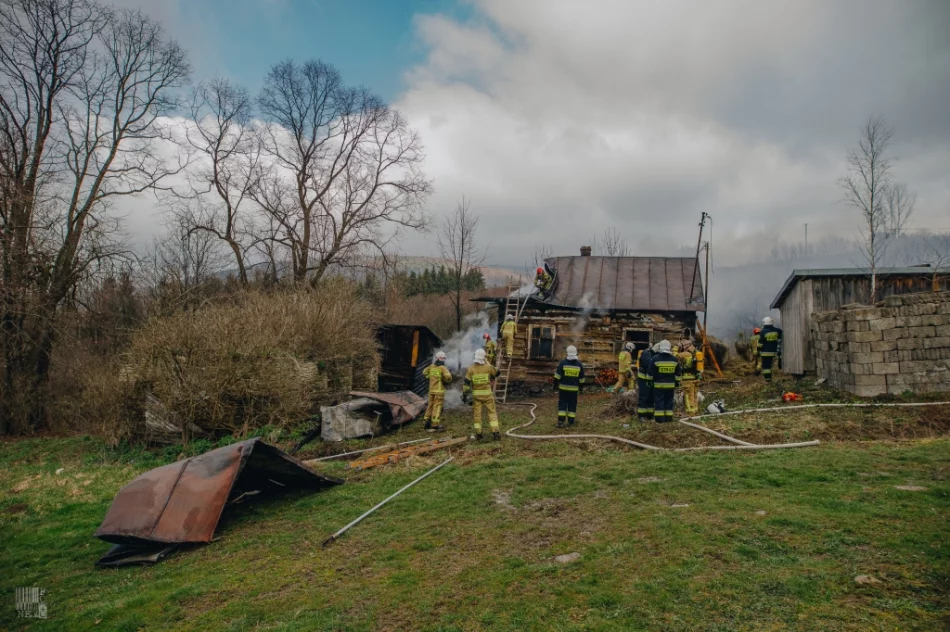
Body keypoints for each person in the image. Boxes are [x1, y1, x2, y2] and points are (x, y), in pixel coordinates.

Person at [464, 349, 500, 440]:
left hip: (476, 397)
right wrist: (487, 362)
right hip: (488, 396)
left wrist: (465, 395)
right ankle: (495, 433)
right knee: (492, 413)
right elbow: (497, 373)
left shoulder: (471, 368)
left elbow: (466, 384)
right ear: (484, 357)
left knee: (477, 415)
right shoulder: (488, 367)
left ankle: (479, 434)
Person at [553, 345, 585, 428]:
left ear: (567, 353)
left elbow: (557, 376)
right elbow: (582, 379)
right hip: (574, 390)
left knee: (562, 404)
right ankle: (571, 421)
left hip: (563, 389)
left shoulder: (563, 363)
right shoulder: (579, 365)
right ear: (576, 353)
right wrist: (581, 388)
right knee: (572, 404)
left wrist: (555, 386)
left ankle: (561, 421)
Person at [650, 340, 682, 423]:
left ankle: (660, 419)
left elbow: (650, 372)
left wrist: (649, 381)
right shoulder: (674, 359)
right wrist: (677, 382)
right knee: (669, 401)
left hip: (658, 385)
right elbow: (678, 373)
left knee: (659, 401)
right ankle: (668, 418)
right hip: (670, 385)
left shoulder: (655, 358)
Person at [422, 351, 452, 431]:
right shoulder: (442, 368)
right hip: (439, 391)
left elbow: (424, 372)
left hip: (431, 390)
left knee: (430, 405)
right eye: (442, 358)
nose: (443, 360)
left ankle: (426, 421)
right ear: (440, 359)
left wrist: (429, 377)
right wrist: (445, 381)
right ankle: (435, 424)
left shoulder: (431, 366)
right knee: (437, 407)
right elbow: (448, 377)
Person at [677, 341, 701, 414]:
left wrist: (675, 348)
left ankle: (690, 413)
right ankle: (695, 411)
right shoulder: (696, 353)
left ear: (685, 346)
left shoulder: (686, 354)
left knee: (688, 397)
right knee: (694, 396)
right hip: (695, 379)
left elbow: (674, 356)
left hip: (687, 380)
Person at [757, 317, 783, 382]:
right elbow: (780, 336)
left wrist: (758, 350)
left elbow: (760, 343)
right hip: (774, 352)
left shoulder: (763, 332)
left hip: (765, 353)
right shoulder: (777, 330)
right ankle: (770, 378)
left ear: (764, 323)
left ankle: (768, 380)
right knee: (770, 365)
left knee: (766, 367)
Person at [635, 344, 655, 421]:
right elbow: (649, 365)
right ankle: (641, 415)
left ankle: (649, 415)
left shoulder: (654, 354)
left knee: (651, 397)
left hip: (650, 379)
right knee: (644, 396)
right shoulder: (646, 353)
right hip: (644, 379)